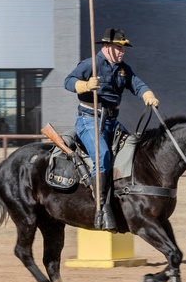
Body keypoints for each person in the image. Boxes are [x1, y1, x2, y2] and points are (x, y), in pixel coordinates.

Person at [64, 28, 159, 230]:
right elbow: (68, 81)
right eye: (118, 47)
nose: (122, 52)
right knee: (103, 156)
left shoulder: (123, 69)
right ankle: (102, 209)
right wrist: (85, 85)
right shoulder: (91, 64)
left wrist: (147, 94)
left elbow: (137, 84)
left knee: (133, 149)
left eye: (123, 48)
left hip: (111, 122)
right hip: (89, 119)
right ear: (106, 47)